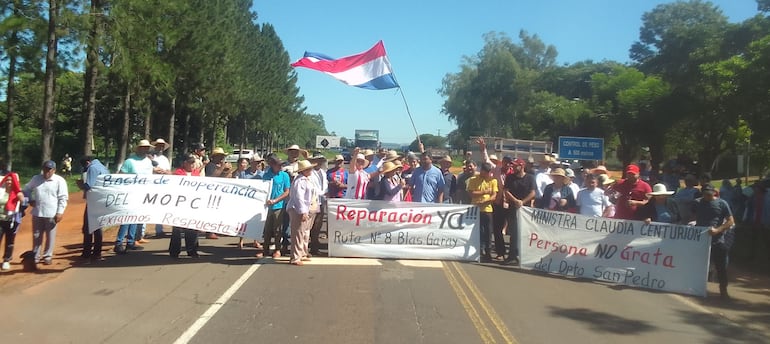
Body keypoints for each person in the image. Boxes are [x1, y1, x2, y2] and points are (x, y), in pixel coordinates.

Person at [23, 160, 68, 265]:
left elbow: (63, 198)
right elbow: (27, 189)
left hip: (52, 213)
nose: (47, 171)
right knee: (36, 236)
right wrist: (30, 199)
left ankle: (48, 256)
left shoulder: (59, 181)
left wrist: (60, 212)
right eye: (45, 169)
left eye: (49, 169)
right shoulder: (36, 179)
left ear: (54, 170)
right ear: (42, 169)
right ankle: (36, 256)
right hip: (38, 212)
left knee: (50, 236)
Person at [693, 184, 735, 299]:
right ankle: (697, 289)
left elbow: (730, 221)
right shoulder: (697, 203)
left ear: (714, 193)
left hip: (717, 240)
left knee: (721, 267)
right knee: (699, 266)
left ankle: (723, 291)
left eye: (709, 194)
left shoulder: (722, 203)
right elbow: (693, 216)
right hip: (701, 240)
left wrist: (718, 230)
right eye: (705, 194)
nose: (707, 196)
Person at [114, 139, 154, 253]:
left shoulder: (148, 161)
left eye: (147, 148)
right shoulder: (129, 161)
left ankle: (130, 241)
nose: (145, 150)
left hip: (143, 193)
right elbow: (120, 176)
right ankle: (119, 242)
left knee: (136, 218)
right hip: (130, 193)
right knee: (126, 218)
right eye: (143, 148)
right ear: (139, 148)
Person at [501, 158, 536, 264]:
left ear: (522, 166)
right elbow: (506, 191)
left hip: (525, 209)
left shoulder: (530, 178)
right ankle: (512, 255)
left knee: (524, 233)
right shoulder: (510, 177)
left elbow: (533, 192)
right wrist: (515, 201)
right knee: (514, 232)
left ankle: (523, 255)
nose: (513, 167)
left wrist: (523, 201)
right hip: (513, 207)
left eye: (516, 165)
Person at [257, 155, 291, 259]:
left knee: (278, 229)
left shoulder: (284, 175)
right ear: (272, 165)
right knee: (267, 229)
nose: (280, 167)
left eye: (281, 165)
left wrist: (276, 200)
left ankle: (277, 249)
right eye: (278, 165)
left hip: (279, 205)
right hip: (267, 206)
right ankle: (265, 249)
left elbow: (287, 191)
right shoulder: (266, 175)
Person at [76, 156, 109, 262]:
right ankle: (96, 252)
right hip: (102, 199)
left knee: (88, 227)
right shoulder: (103, 167)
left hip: (94, 200)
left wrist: (80, 185)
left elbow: (89, 185)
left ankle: (88, 253)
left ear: (87, 162)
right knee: (97, 225)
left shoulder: (93, 168)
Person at [169, 154, 201, 258]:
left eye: (193, 162)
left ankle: (192, 250)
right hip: (180, 204)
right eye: (190, 162)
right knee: (177, 229)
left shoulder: (196, 173)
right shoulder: (178, 173)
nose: (192, 164)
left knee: (192, 228)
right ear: (184, 163)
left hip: (193, 204)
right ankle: (174, 251)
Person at [286, 160, 317, 266]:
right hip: (297, 209)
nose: (311, 170)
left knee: (303, 232)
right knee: (298, 233)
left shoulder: (305, 180)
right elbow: (299, 198)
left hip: (302, 208)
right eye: (308, 169)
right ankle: (295, 257)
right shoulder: (300, 181)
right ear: (303, 171)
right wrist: (303, 212)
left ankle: (301, 253)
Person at [467, 162, 498, 261]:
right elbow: (472, 193)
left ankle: (488, 252)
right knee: (478, 231)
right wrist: (484, 192)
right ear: (482, 171)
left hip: (487, 209)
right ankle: (479, 250)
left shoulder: (493, 181)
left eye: (489, 172)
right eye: (486, 172)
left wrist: (484, 201)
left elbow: (494, 196)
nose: (487, 174)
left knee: (488, 232)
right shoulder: (473, 180)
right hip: (476, 209)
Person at [0, 172, 25, 271]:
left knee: (10, 241)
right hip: (0, 219)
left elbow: (24, 203)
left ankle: (6, 260)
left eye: (11, 180)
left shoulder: (18, 193)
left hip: (11, 221)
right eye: (7, 180)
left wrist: (21, 199)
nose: (9, 182)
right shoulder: (1, 191)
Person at [308, 153, 328, 256]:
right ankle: (305, 248)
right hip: (312, 202)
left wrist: (325, 192)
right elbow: (312, 188)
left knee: (318, 226)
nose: (319, 162)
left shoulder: (323, 173)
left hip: (321, 201)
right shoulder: (310, 173)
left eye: (320, 160)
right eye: (317, 160)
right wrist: (322, 192)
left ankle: (314, 247)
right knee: (309, 226)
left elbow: (325, 186)